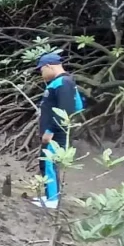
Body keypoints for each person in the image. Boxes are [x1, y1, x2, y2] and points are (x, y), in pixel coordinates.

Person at [34, 53, 84, 209]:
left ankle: (53, 200)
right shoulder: (61, 82)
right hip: (52, 132)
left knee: (50, 163)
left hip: (56, 133)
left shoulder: (63, 83)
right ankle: (50, 195)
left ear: (49, 66)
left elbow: (66, 110)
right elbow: (78, 106)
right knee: (45, 162)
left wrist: (50, 130)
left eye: (41, 70)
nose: (41, 74)